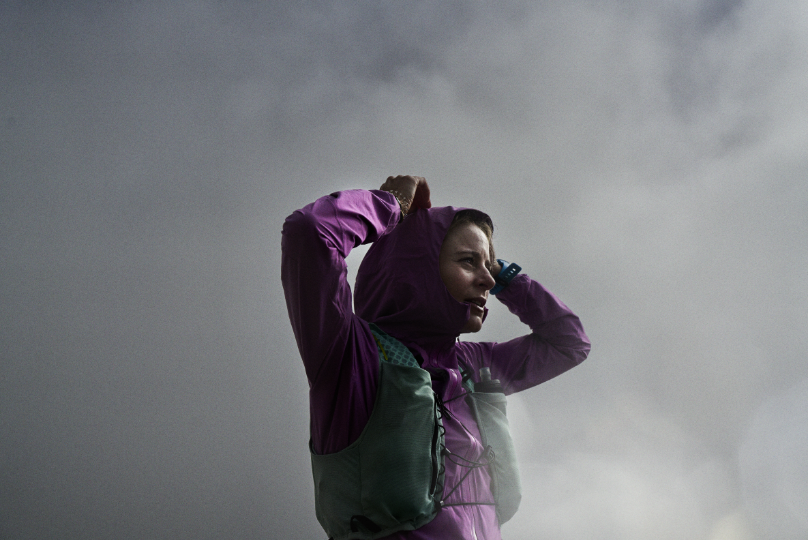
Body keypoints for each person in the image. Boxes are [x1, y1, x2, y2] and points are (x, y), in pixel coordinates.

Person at [281, 175, 590, 539]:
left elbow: (569, 342)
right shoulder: (351, 357)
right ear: (415, 268)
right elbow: (311, 231)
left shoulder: (471, 366)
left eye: (487, 267)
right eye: (468, 262)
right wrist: (392, 203)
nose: (487, 281)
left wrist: (506, 276)